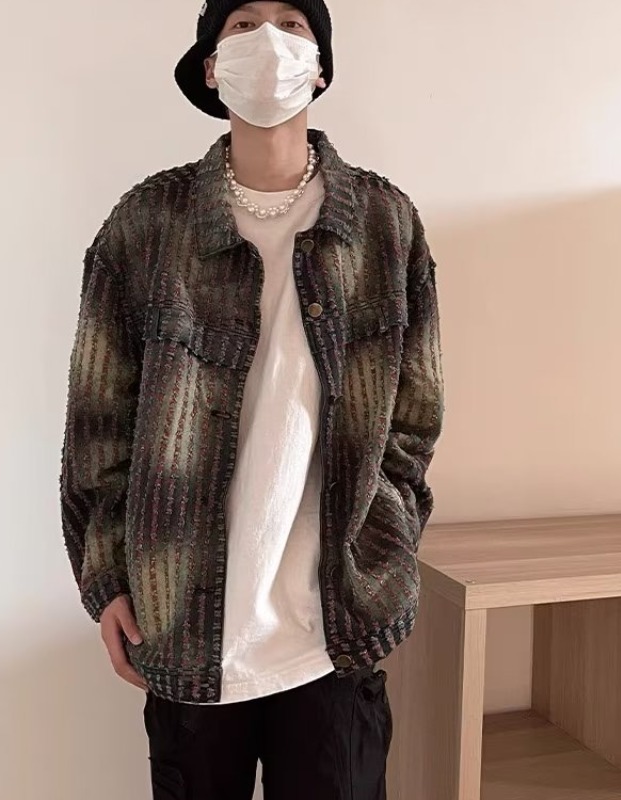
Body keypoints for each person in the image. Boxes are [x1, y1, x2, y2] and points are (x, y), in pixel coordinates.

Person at [59, 1, 445, 797]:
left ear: (321, 67)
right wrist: (107, 579)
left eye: (292, 23)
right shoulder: (146, 226)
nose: (268, 39)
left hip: (335, 632)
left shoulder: (385, 225)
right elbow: (96, 426)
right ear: (210, 68)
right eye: (242, 23)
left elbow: (415, 417)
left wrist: (386, 544)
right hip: (183, 624)